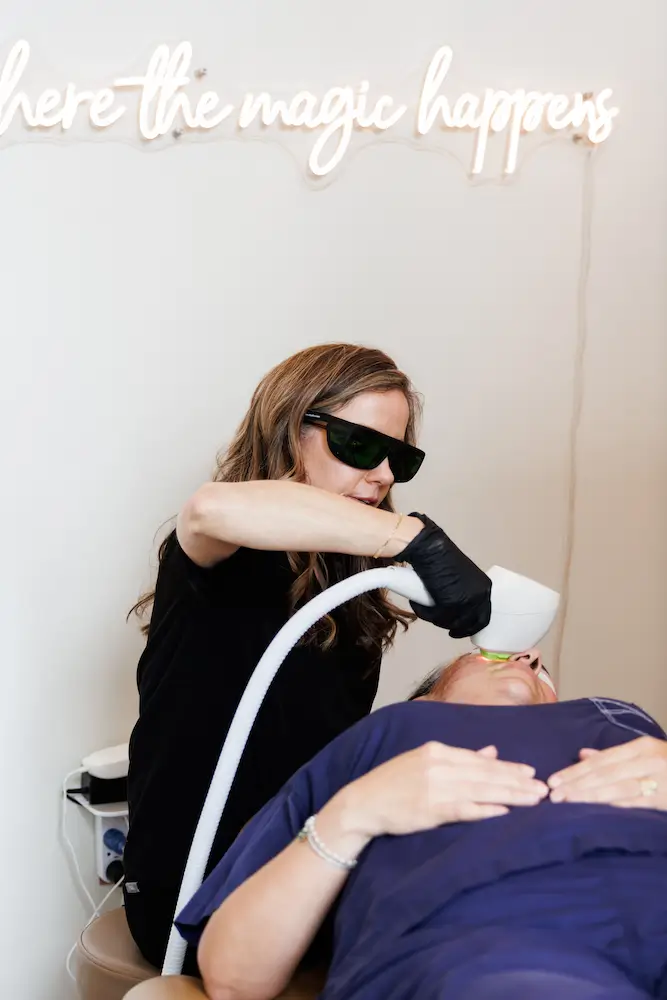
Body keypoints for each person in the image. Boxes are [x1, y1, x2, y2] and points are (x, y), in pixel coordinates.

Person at [122, 342, 492, 972]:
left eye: (398, 457)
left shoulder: (351, 592)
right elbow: (210, 508)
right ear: (289, 430)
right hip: (196, 894)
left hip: (306, 868)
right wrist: (414, 540)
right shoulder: (224, 557)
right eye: (358, 446)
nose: (380, 475)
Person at [175, 650, 667, 1000]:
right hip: (496, 945)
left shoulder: (623, 720)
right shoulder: (386, 735)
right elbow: (232, 979)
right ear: (430, 697)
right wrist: (353, 813)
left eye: (544, 668)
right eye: (486, 656)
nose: (529, 656)